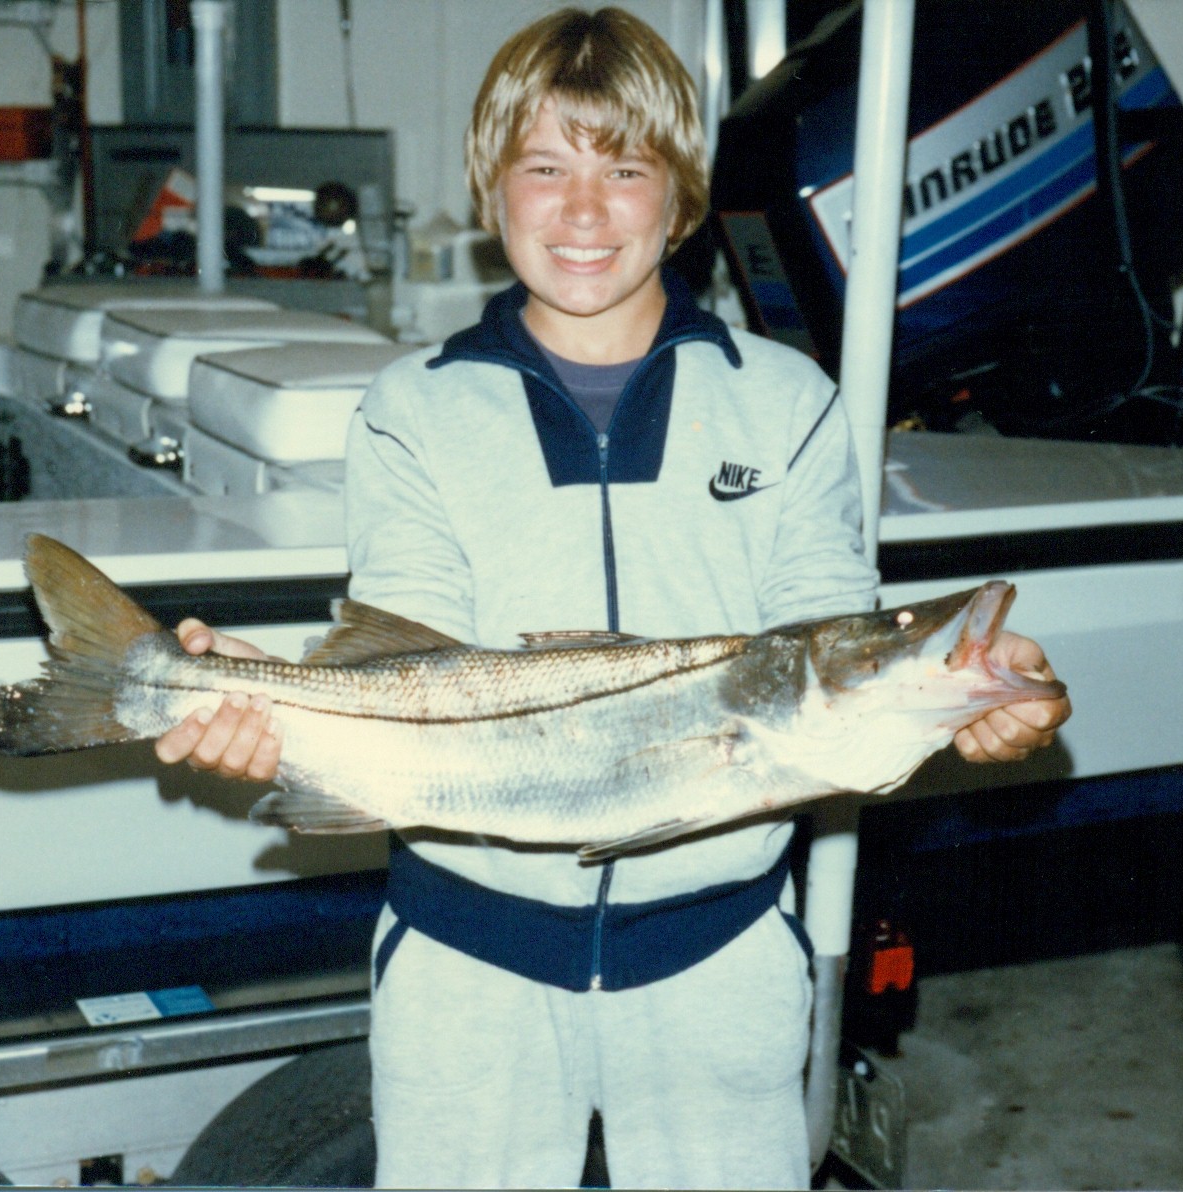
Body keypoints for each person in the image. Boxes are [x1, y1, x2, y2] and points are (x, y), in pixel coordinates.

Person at [156, 7, 1071, 1188]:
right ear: (494, 193)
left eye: (625, 168)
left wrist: (966, 702)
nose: (582, 211)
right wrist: (278, 717)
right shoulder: (412, 409)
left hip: (720, 953)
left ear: (681, 199)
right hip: (464, 960)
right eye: (545, 167)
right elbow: (408, 645)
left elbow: (831, 640)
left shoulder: (783, 401)